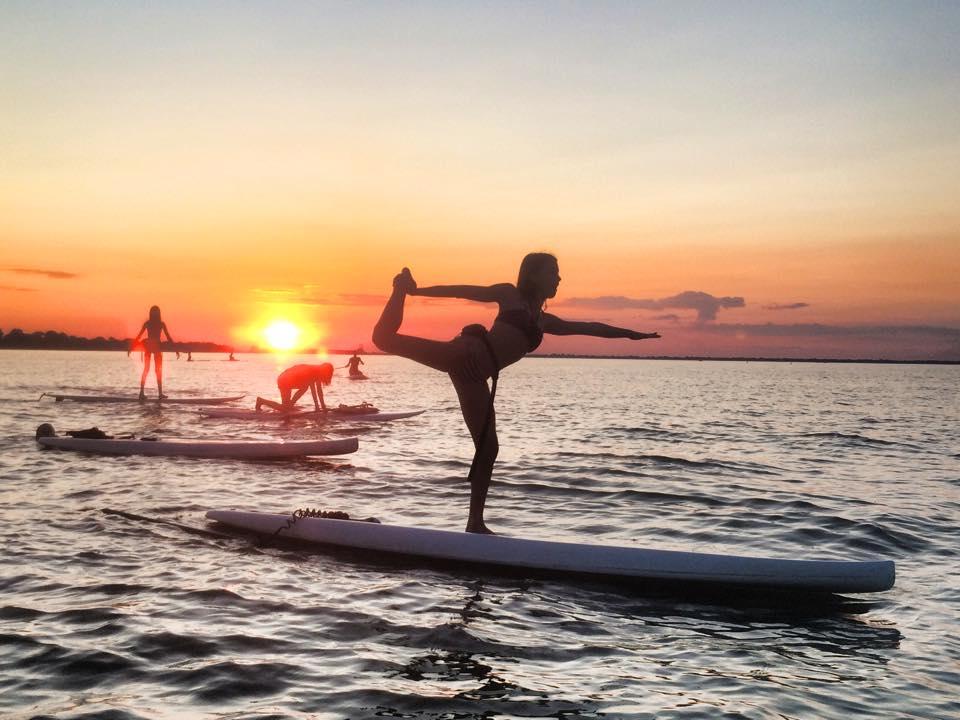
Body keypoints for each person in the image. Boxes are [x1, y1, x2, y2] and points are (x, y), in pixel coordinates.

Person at [372, 253, 660, 534]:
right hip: (462, 356)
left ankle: (475, 524)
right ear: (533, 275)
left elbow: (589, 327)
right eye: (552, 272)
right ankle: (400, 287)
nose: (559, 278)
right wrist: (416, 290)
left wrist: (631, 334)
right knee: (383, 339)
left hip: (473, 378)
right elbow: (464, 291)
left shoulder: (544, 321)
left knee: (489, 448)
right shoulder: (509, 295)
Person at [130, 305, 175, 400]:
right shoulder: (153, 324)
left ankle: (157, 393)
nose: (155, 314)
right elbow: (139, 336)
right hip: (152, 347)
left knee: (155, 370)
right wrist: (132, 347)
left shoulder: (157, 324)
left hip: (154, 347)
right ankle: (143, 393)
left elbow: (168, 337)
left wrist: (175, 349)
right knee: (149, 369)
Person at [255, 363, 334, 413]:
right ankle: (261, 401)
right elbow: (314, 390)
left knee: (305, 387)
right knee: (284, 409)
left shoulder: (317, 371)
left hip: (289, 380)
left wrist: (323, 406)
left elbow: (319, 391)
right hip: (284, 380)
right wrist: (317, 407)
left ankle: (290, 405)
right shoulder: (313, 371)